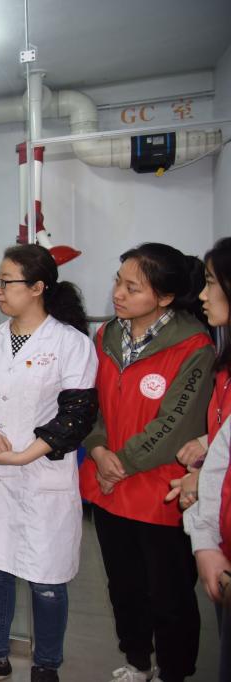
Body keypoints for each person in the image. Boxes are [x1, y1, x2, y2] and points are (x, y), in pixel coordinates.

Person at [0, 244, 99, 682]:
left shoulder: (71, 343)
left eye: (6, 281)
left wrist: (24, 455)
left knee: (46, 579)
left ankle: (46, 665)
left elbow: (77, 415)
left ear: (37, 288)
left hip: (41, 474)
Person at [80, 243, 212, 682]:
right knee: (124, 587)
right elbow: (91, 404)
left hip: (162, 491)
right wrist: (98, 449)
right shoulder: (107, 336)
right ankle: (136, 660)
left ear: (165, 297)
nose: (118, 293)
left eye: (132, 287)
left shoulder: (194, 346)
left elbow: (175, 423)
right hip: (109, 487)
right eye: (118, 282)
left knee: (169, 595)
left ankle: (174, 671)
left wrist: (118, 462)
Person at [183, 236, 231, 682]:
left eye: (211, 282)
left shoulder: (197, 347)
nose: (202, 293)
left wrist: (204, 538)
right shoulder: (224, 367)